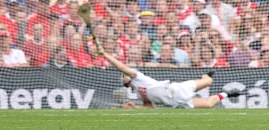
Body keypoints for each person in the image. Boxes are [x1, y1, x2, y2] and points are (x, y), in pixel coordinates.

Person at [95, 40, 237, 108]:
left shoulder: (139, 77)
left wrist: (104, 54)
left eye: (124, 74)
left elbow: (120, 66)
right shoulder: (139, 93)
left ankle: (206, 76)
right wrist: (133, 107)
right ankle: (226, 94)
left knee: (208, 82)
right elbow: (149, 107)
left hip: (176, 89)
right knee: (208, 103)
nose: (124, 74)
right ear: (127, 83)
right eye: (123, 77)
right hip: (176, 102)